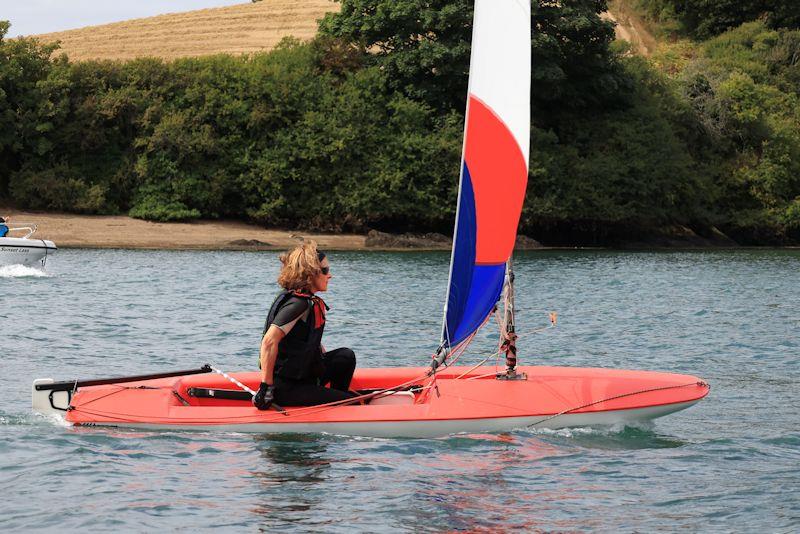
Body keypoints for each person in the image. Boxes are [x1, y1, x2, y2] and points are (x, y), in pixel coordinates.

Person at [253, 240, 357, 410]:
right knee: (351, 403)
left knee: (345, 357)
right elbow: (269, 341)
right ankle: (341, 404)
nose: (329, 275)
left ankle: (333, 402)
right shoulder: (297, 304)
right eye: (325, 270)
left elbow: (304, 339)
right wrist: (266, 388)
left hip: (304, 376)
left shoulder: (307, 301)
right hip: (287, 387)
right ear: (310, 275)